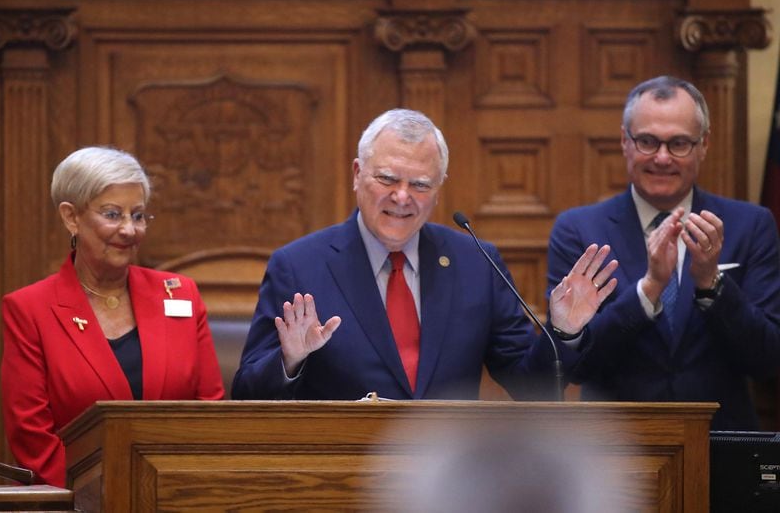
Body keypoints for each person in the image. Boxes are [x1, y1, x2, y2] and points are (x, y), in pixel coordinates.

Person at [232, 108, 617, 401]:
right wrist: (290, 361)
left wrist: (564, 331)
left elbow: (531, 388)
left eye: (419, 184)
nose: (402, 197)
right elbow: (247, 395)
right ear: (356, 174)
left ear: (438, 189)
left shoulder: (477, 263)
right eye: (387, 179)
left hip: (448, 478)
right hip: (338, 474)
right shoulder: (299, 265)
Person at [547, 75, 780, 430]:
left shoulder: (751, 225)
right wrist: (649, 289)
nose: (661, 157)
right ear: (625, 142)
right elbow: (576, 366)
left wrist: (710, 284)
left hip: (720, 443)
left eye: (679, 143)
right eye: (647, 141)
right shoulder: (579, 231)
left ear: (704, 145)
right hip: (615, 447)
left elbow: (767, 360)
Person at [1, 147, 225, 487]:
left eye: (137, 215)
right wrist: (112, 495)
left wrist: (177, 488)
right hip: (77, 501)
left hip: (176, 496)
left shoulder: (181, 294)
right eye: (112, 214)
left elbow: (209, 411)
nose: (129, 230)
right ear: (71, 217)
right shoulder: (30, 308)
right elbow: (33, 439)